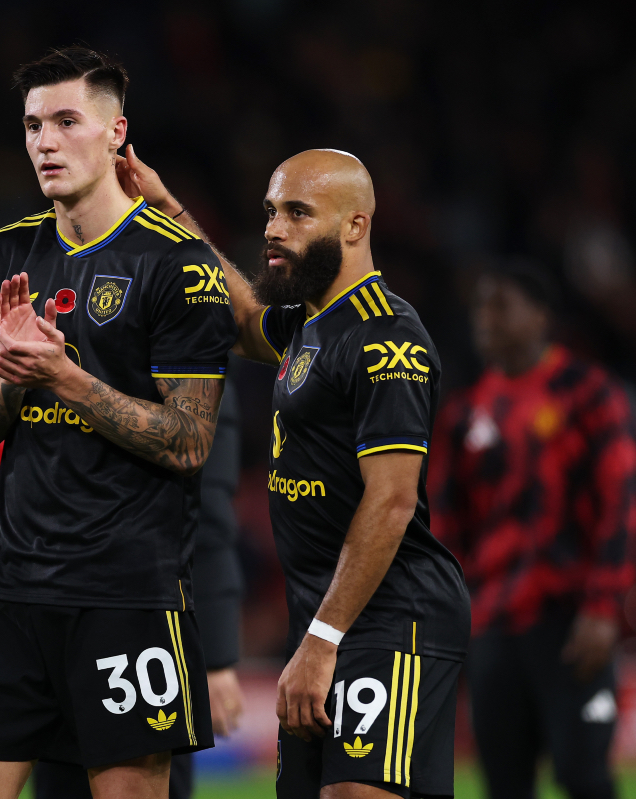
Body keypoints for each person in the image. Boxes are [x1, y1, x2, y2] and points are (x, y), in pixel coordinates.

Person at [117, 146, 469, 798]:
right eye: (271, 211)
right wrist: (164, 207)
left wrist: (322, 639)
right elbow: (243, 315)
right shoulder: (310, 324)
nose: (274, 228)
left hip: (388, 621)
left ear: (354, 226)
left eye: (298, 213)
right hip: (324, 621)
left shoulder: (385, 337)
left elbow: (390, 501)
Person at [0, 47, 237, 799]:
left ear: (114, 134)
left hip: (126, 595)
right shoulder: (7, 251)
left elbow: (189, 441)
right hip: (9, 592)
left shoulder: (179, 265)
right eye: (33, 124)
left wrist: (65, 378)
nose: (44, 140)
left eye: (66, 121)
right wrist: (11, 376)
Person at [429, 264, 636, 799]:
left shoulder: (589, 394)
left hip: (573, 620)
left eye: (501, 305)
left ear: (541, 315)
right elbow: (445, 526)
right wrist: (449, 615)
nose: (486, 318)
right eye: (480, 307)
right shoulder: (463, 412)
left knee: (583, 774)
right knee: (504, 783)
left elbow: (622, 502)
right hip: (492, 623)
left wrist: (605, 608)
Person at [32, 373, 246, 799]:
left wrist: (217, 658)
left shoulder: (194, 377)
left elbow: (208, 522)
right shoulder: (60, 362)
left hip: (146, 622)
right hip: (54, 613)